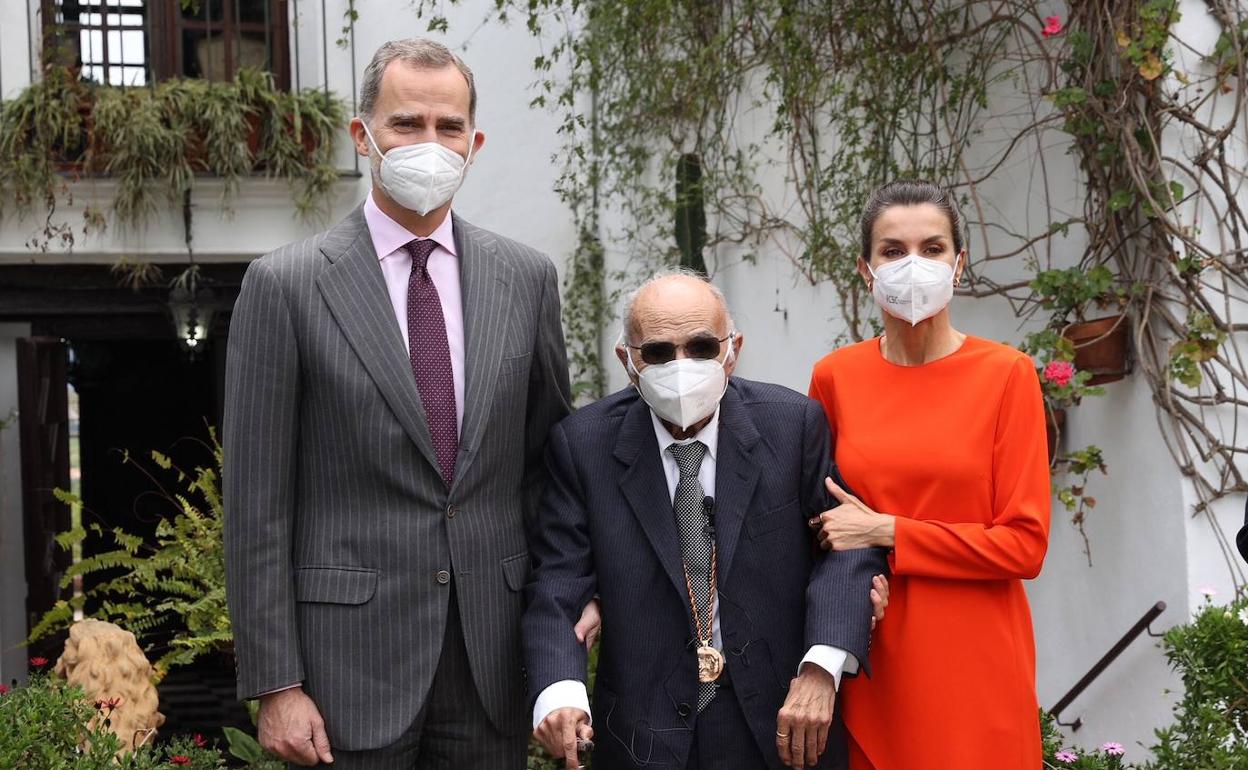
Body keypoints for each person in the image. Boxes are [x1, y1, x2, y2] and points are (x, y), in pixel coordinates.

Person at [224, 38, 598, 769]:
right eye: (406, 124)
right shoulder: (287, 287)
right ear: (362, 135)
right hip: (343, 677)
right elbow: (256, 506)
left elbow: (548, 469)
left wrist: (564, 616)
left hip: (491, 662)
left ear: (474, 143)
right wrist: (275, 683)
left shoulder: (526, 279)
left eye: (448, 127)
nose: (430, 143)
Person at [523, 271, 890, 770]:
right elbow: (558, 581)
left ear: (732, 349)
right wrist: (561, 693)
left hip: (783, 721)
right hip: (643, 734)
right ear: (627, 361)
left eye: (700, 347)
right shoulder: (583, 445)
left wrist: (821, 669)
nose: (681, 366)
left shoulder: (792, 425)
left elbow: (848, 547)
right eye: (657, 352)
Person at [807, 180, 1050, 769]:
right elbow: (818, 526)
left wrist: (891, 531)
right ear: (866, 269)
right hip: (873, 651)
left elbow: (1024, 546)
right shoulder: (835, 378)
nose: (913, 264)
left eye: (933, 248)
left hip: (978, 657)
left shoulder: (1007, 376)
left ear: (958, 263)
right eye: (892, 251)